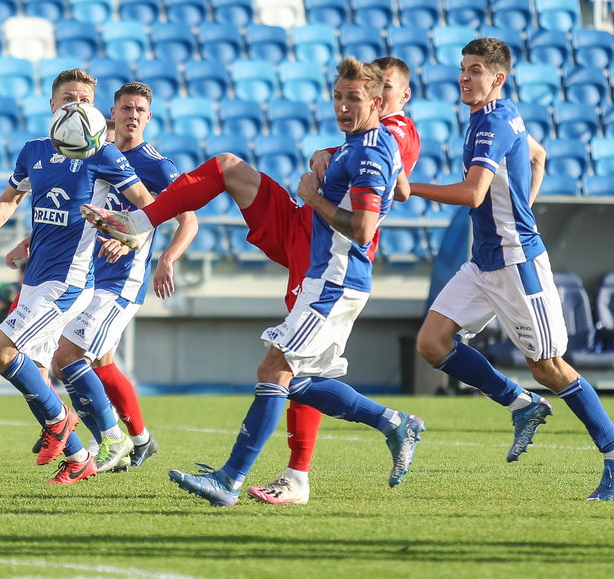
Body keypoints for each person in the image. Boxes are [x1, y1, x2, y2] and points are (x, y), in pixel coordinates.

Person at [88, 57, 424, 506]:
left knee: (275, 371)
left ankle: (234, 479)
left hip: (333, 276)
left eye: (354, 98)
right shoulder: (359, 143)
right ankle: (392, 424)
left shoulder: (389, 137)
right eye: (338, 97)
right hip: (320, 259)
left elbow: (366, 222)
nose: (342, 106)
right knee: (297, 380)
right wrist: (324, 160)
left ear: (387, 100)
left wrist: (312, 194)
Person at [408, 37, 614, 501]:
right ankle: (520, 404)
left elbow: (474, 194)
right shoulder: (502, 112)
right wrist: (521, 208)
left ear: (497, 78)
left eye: (475, 70)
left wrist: (410, 188)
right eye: (463, 68)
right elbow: (539, 156)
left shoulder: (492, 121)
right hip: (484, 262)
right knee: (432, 343)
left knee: (550, 367)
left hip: (518, 265)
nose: (464, 77)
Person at [0, 69, 155, 484]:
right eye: (68, 98)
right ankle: (80, 455)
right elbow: (10, 198)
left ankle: (64, 420)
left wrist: (126, 234)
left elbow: (148, 206)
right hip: (36, 278)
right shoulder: (33, 150)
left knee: (0, 351)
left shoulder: (103, 154)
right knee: (35, 368)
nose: (76, 105)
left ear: (97, 111)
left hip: (69, 282)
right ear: (52, 106)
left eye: (84, 99)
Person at [9, 82, 198, 469]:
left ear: (148, 116)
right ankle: (132, 438)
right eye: (125, 108)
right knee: (95, 362)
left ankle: (104, 441)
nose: (131, 115)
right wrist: (31, 239)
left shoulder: (157, 165)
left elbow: (187, 220)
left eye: (139, 110)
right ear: (111, 113)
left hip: (122, 280)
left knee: (69, 356)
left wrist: (159, 255)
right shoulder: (94, 151)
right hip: (87, 271)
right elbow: (77, 208)